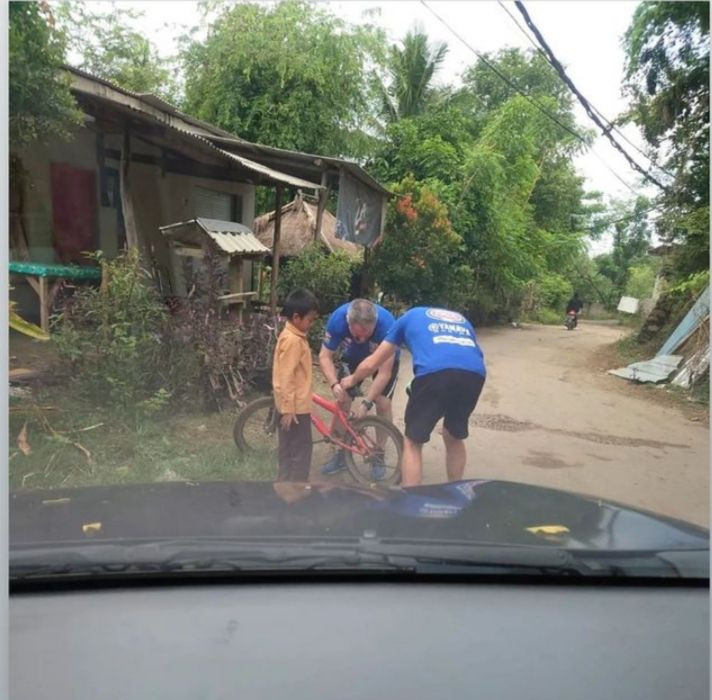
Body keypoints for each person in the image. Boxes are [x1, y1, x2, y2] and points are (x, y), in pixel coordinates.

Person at [340, 307, 486, 487]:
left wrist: (351, 380)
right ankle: (456, 493)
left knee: (413, 442)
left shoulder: (407, 318)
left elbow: (372, 363)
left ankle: (412, 502)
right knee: (454, 436)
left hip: (434, 372)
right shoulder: (460, 319)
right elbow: (470, 353)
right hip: (474, 374)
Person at [319, 298, 399, 478]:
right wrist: (334, 384)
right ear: (348, 322)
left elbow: (384, 373)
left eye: (367, 335)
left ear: (375, 323)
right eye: (356, 335)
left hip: (383, 358)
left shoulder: (388, 325)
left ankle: (379, 454)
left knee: (383, 402)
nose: (362, 338)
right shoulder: (338, 319)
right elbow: (324, 356)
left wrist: (367, 403)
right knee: (343, 400)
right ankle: (340, 452)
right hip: (353, 357)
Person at [272, 289, 320, 482]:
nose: (312, 324)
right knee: (299, 453)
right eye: (310, 319)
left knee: (290, 451)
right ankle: (294, 494)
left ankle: (286, 490)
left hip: (293, 406)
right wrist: (288, 409)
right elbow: (286, 377)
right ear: (296, 317)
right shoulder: (292, 341)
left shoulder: (294, 336)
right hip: (294, 410)